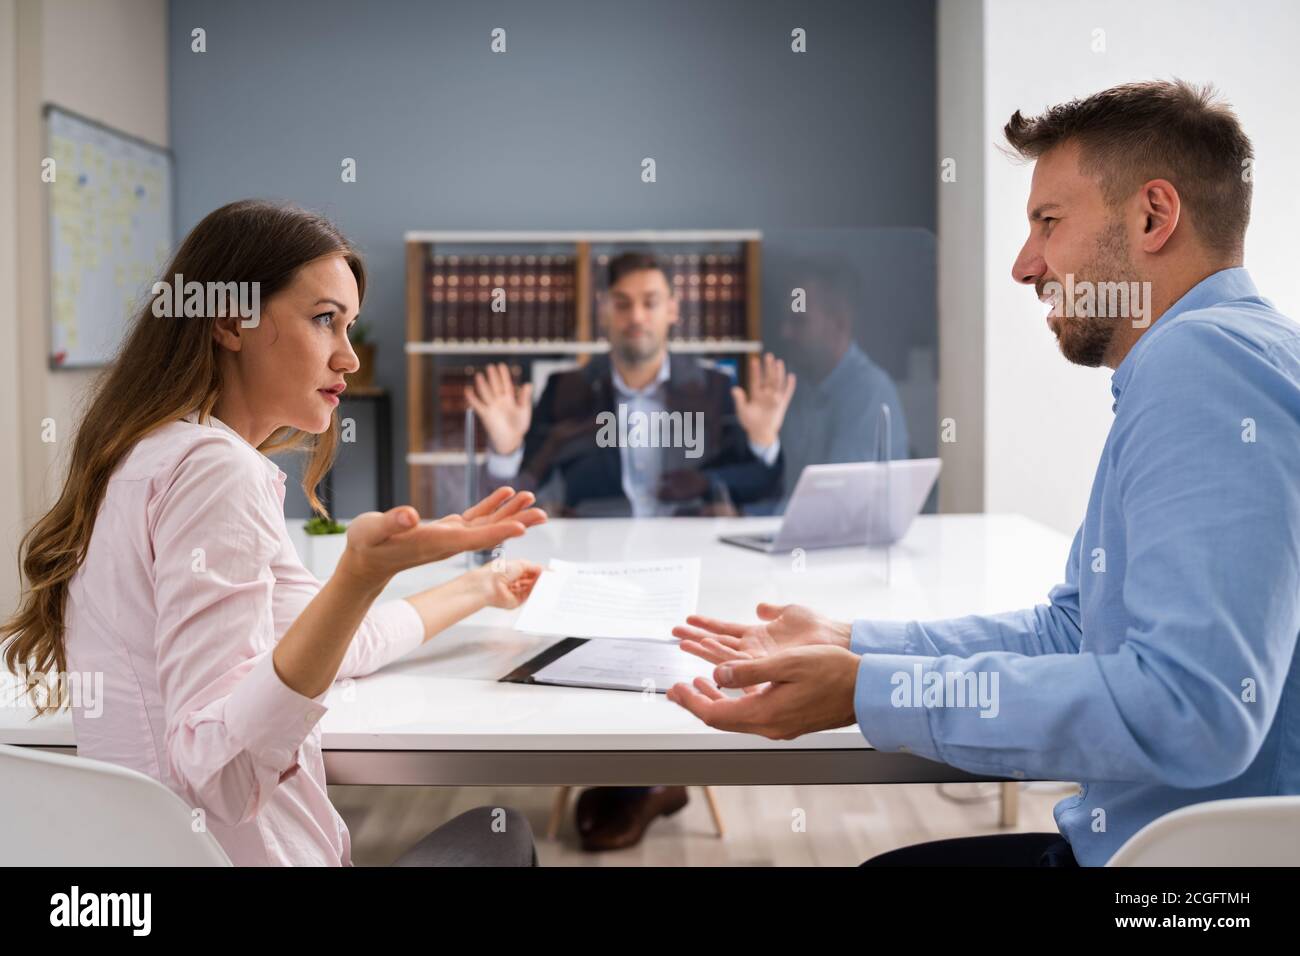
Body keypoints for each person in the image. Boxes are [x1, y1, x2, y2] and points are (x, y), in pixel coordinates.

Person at [665, 80, 1300, 866]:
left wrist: (867, 689)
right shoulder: (1230, 358)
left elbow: (1193, 710)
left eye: (1048, 223)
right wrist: (853, 641)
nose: (1023, 264)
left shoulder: (1205, 365)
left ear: (1152, 217)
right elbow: (1072, 632)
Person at [2, 200, 549, 867]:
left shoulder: (145, 455)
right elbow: (218, 773)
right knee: (504, 834)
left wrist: (478, 587)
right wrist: (358, 576)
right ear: (232, 320)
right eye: (325, 321)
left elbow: (327, 644)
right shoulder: (215, 471)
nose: (349, 358)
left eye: (348, 327)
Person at [466, 251, 795, 850]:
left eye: (650, 302)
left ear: (672, 311)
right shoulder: (567, 390)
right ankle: (636, 777)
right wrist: (509, 450)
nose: (636, 316)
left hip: (701, 572)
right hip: (606, 567)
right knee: (576, 638)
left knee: (680, 633)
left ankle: (638, 780)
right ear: (604, 312)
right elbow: (528, 494)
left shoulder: (714, 387)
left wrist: (766, 444)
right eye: (623, 303)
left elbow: (762, 493)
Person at [777, 255, 910, 498]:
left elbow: (831, 501)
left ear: (839, 323)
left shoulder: (869, 394)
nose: (785, 332)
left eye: (798, 321)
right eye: (785, 320)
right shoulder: (800, 387)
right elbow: (778, 472)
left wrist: (749, 518)